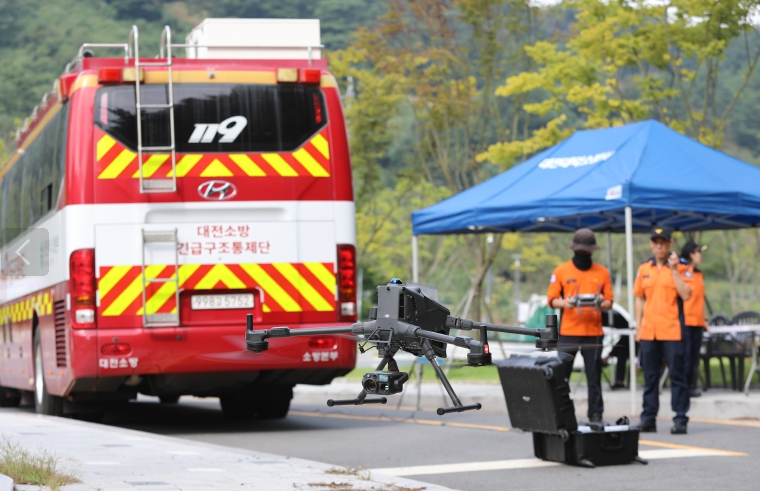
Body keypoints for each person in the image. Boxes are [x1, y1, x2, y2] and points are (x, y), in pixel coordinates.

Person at [547, 228, 613, 423]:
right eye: (580, 251)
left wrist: (601, 302)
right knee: (561, 376)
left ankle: (596, 414)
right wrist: (565, 303)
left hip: (593, 332)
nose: (583, 254)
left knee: (594, 376)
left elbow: (609, 301)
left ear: (592, 251)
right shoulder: (561, 271)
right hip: (568, 332)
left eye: (586, 251)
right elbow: (551, 299)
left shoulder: (602, 272)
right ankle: (561, 413)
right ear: (574, 249)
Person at [634, 228, 692, 435]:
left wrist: (674, 270)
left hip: (672, 331)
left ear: (670, 244)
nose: (659, 246)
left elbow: (686, 294)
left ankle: (680, 418)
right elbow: (639, 298)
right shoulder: (644, 268)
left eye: (663, 242)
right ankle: (648, 418)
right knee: (650, 377)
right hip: (649, 331)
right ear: (651, 244)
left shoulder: (682, 266)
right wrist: (638, 327)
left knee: (677, 376)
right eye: (656, 242)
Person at [681, 241, 709, 398]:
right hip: (686, 321)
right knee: (685, 355)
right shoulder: (682, 271)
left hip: (698, 322)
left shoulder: (699, 274)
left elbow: (701, 299)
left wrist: (705, 320)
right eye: (698, 252)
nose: (700, 256)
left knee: (694, 355)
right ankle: (684, 386)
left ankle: (691, 385)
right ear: (691, 254)